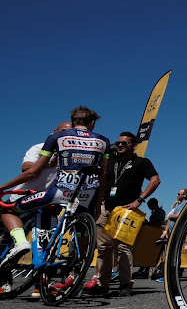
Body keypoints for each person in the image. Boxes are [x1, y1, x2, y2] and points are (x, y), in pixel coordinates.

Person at [0, 108, 108, 275]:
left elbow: (32, 171)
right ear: (92, 123)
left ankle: (22, 243)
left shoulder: (56, 137)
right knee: (78, 233)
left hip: (58, 193)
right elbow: (103, 175)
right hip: (86, 197)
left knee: (8, 209)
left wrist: (3, 187)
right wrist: (99, 204)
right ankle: (73, 275)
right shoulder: (104, 141)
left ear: (73, 122)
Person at [89, 131, 160, 297]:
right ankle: (102, 284)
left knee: (122, 248)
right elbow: (102, 182)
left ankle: (125, 284)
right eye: (118, 143)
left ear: (134, 146)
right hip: (106, 208)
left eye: (124, 143)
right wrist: (99, 203)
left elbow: (155, 180)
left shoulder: (141, 162)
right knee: (103, 248)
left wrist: (139, 200)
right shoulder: (110, 161)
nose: (120, 145)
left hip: (126, 210)